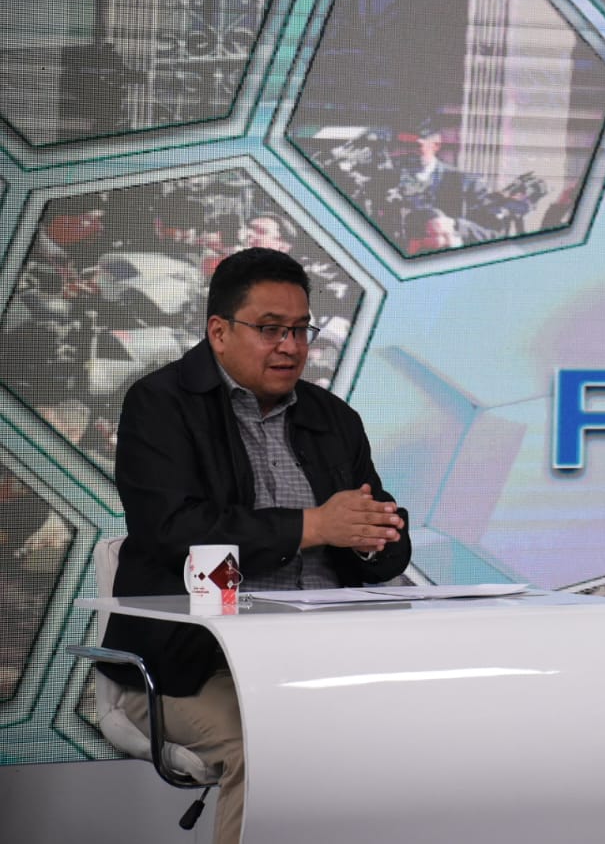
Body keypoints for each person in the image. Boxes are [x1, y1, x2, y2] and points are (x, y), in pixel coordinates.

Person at [97, 247, 410, 844]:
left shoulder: (333, 419)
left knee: (418, 731)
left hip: (322, 658)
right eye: (270, 329)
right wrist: (312, 526)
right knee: (268, 747)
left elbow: (385, 539)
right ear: (219, 331)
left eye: (300, 330)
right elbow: (173, 530)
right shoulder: (160, 405)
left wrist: (371, 539)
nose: (291, 346)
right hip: (191, 664)